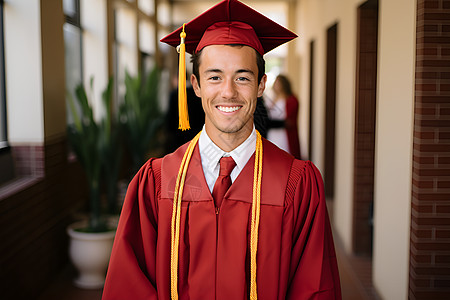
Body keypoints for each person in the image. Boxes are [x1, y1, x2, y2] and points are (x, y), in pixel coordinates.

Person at [102, 0, 341, 299]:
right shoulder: (157, 182)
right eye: (214, 77)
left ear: (261, 85)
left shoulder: (298, 184)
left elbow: (314, 287)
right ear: (196, 85)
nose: (228, 91)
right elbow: (128, 285)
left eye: (242, 77)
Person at [265, 74, 301, 159]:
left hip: (284, 134)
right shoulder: (272, 98)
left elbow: (290, 120)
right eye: (276, 83)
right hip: (272, 133)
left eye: (279, 83)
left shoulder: (291, 99)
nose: (277, 86)